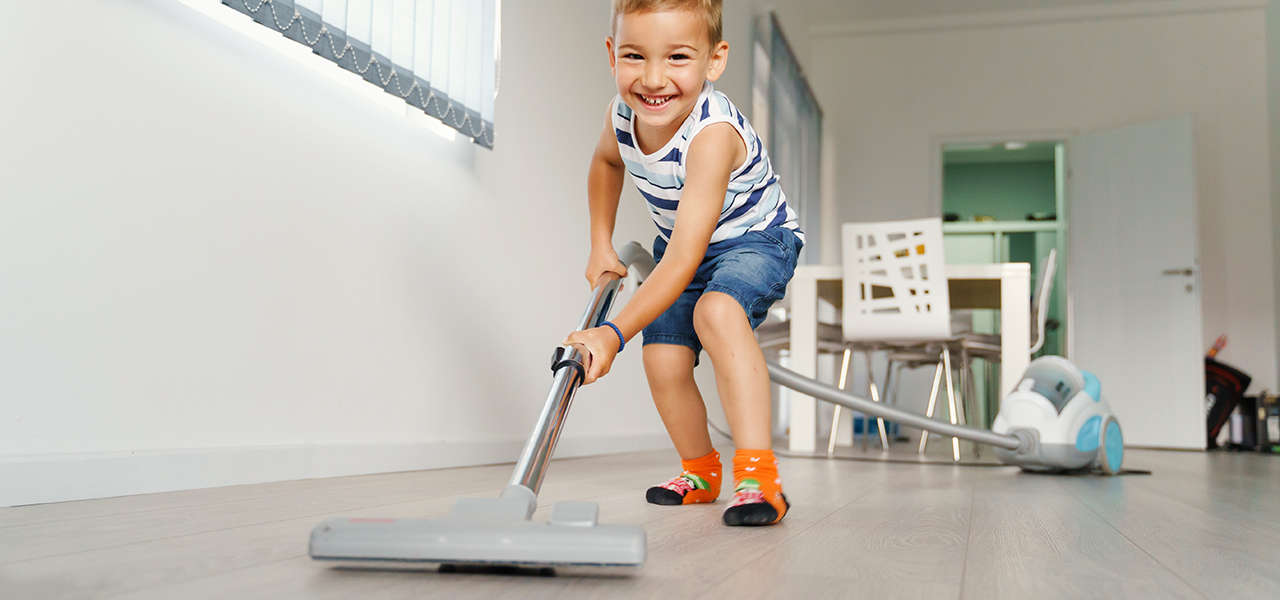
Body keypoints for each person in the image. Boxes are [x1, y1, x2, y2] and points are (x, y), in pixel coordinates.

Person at [564, 0, 803, 526]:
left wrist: (609, 334)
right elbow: (607, 161)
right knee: (663, 356)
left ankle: (759, 478)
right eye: (634, 56)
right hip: (682, 248)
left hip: (756, 240)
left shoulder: (711, 135)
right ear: (611, 54)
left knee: (715, 314)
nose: (653, 79)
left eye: (677, 57)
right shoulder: (620, 115)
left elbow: (681, 263)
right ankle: (700, 470)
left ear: (714, 61)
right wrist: (599, 242)